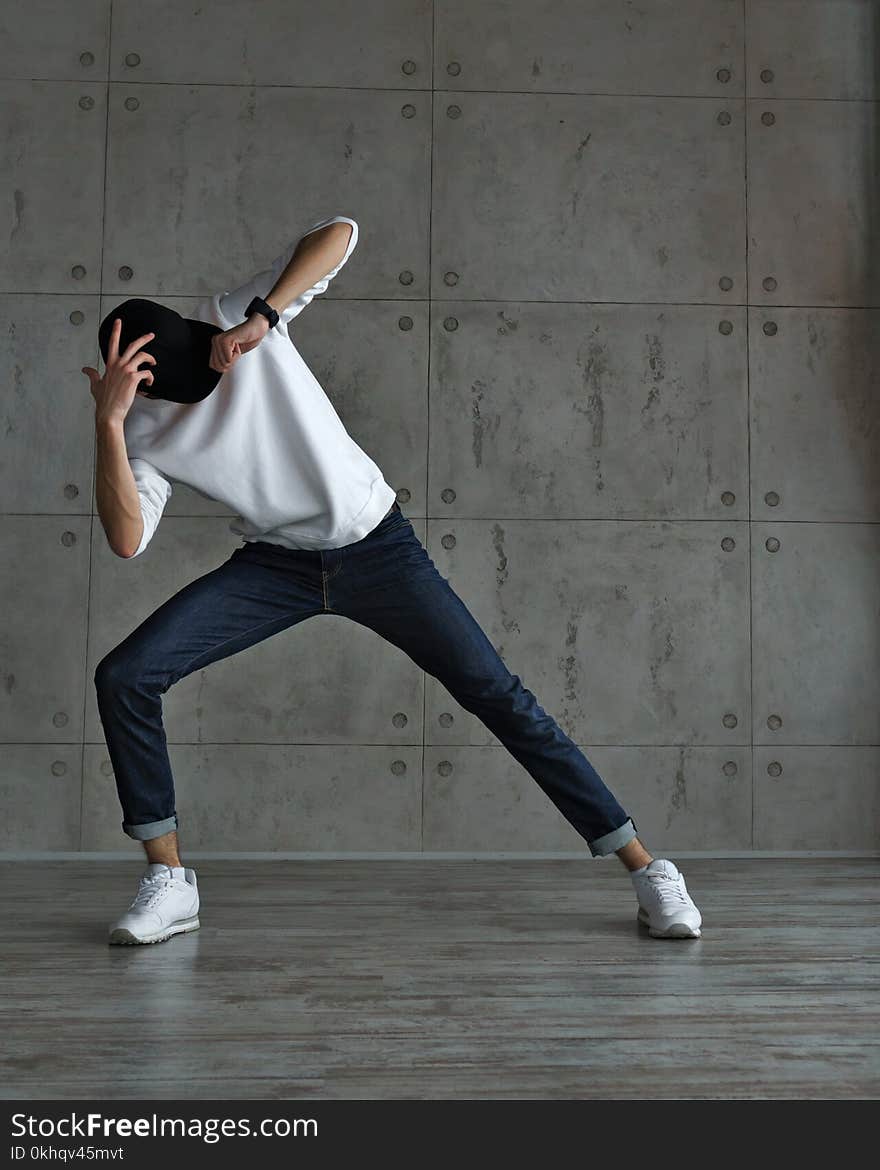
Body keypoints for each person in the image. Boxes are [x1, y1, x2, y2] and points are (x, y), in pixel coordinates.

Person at [82, 215, 703, 947]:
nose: (211, 390)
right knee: (126, 675)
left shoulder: (236, 321)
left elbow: (341, 233)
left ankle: (647, 869)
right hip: (275, 567)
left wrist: (264, 315)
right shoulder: (140, 430)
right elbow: (126, 541)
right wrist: (110, 427)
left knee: (499, 695)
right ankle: (169, 882)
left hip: (378, 549)